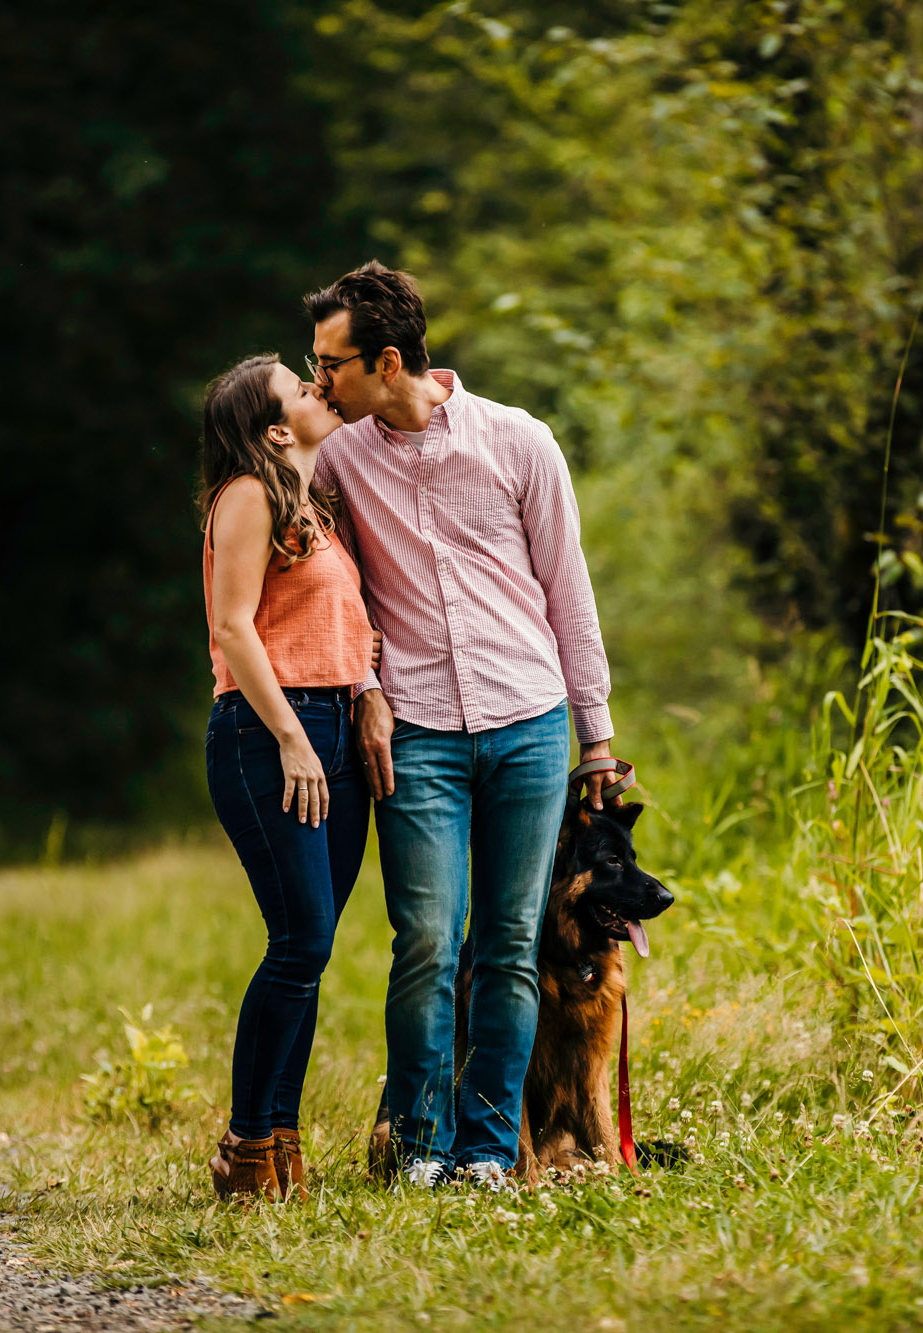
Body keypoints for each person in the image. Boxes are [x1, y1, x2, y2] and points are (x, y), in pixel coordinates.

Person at [304, 261, 621, 1190]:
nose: (318, 379)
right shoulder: (339, 459)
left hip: (529, 721)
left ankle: (488, 1151)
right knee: (429, 944)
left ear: (387, 359)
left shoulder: (520, 442)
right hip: (421, 736)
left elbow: (570, 592)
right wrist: (366, 685)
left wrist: (595, 737)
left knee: (511, 945)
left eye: (332, 363)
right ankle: (417, 1145)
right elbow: (343, 594)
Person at [197, 353, 378, 1203]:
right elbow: (235, 629)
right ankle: (244, 1143)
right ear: (275, 428)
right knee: (299, 940)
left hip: (333, 729)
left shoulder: (315, 507)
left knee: (311, 947)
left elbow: (347, 627)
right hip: (269, 733)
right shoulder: (247, 494)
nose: (318, 388)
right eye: (299, 389)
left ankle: (281, 1136)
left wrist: (362, 704)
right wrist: (293, 740)